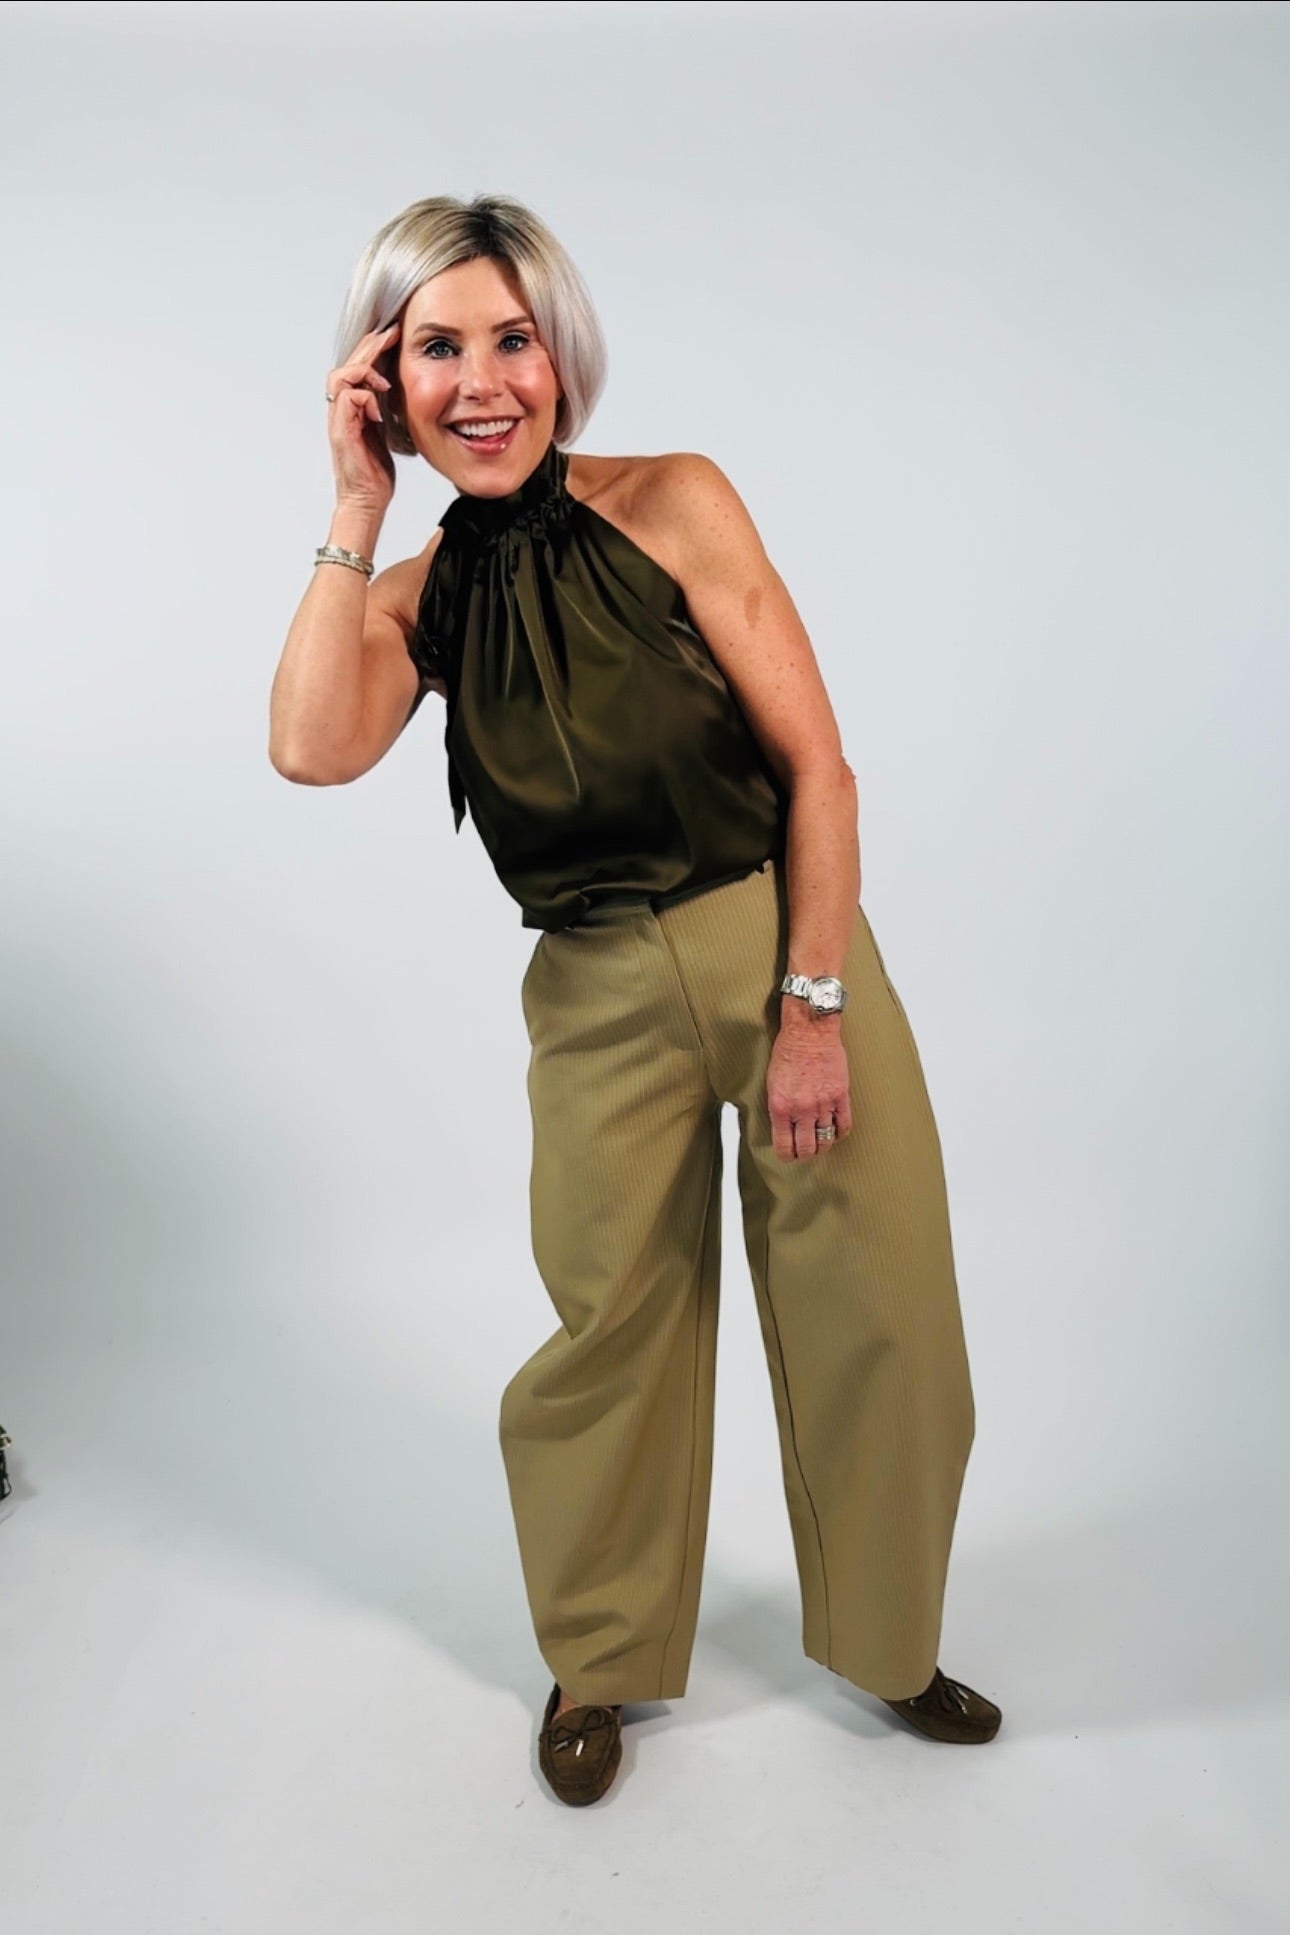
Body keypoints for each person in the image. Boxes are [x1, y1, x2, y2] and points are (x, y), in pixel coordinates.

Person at [269, 193, 1001, 1807]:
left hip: (783, 943)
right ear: (382, 378)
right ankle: (597, 1659)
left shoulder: (675, 499)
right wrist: (352, 505)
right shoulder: (412, 596)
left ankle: (890, 1641)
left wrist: (810, 1006)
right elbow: (311, 747)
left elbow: (817, 768)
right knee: (607, 1332)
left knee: (879, 1307)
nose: (481, 384)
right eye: (436, 348)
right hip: (593, 989)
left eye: (511, 341)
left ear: (561, 354)